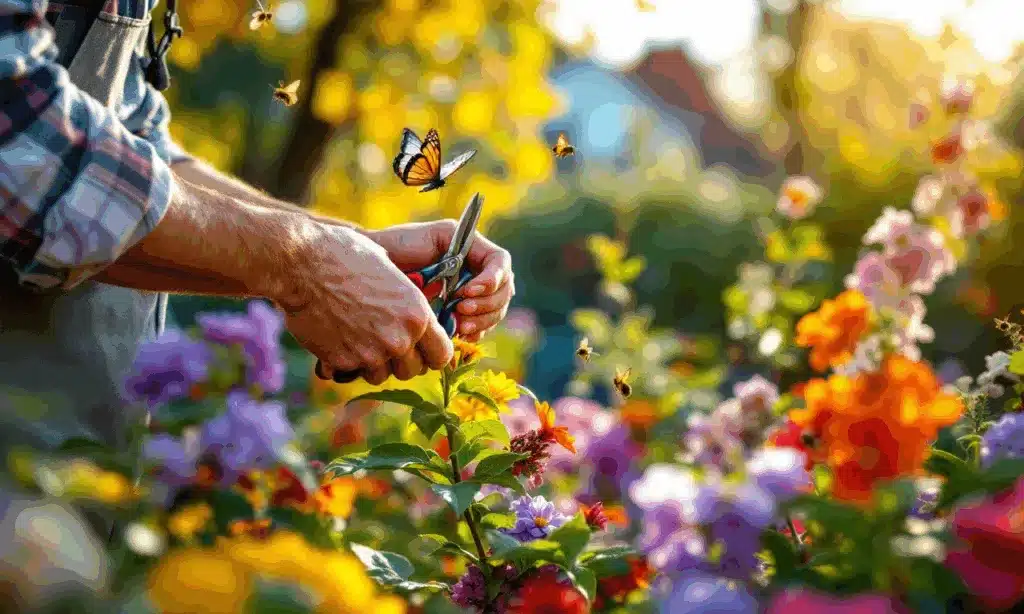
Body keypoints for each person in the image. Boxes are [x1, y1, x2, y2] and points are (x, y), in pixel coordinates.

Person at [0, 0, 515, 454]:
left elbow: (138, 143)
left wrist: (355, 249)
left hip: (71, 453)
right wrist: (305, 266)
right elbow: (27, 154)